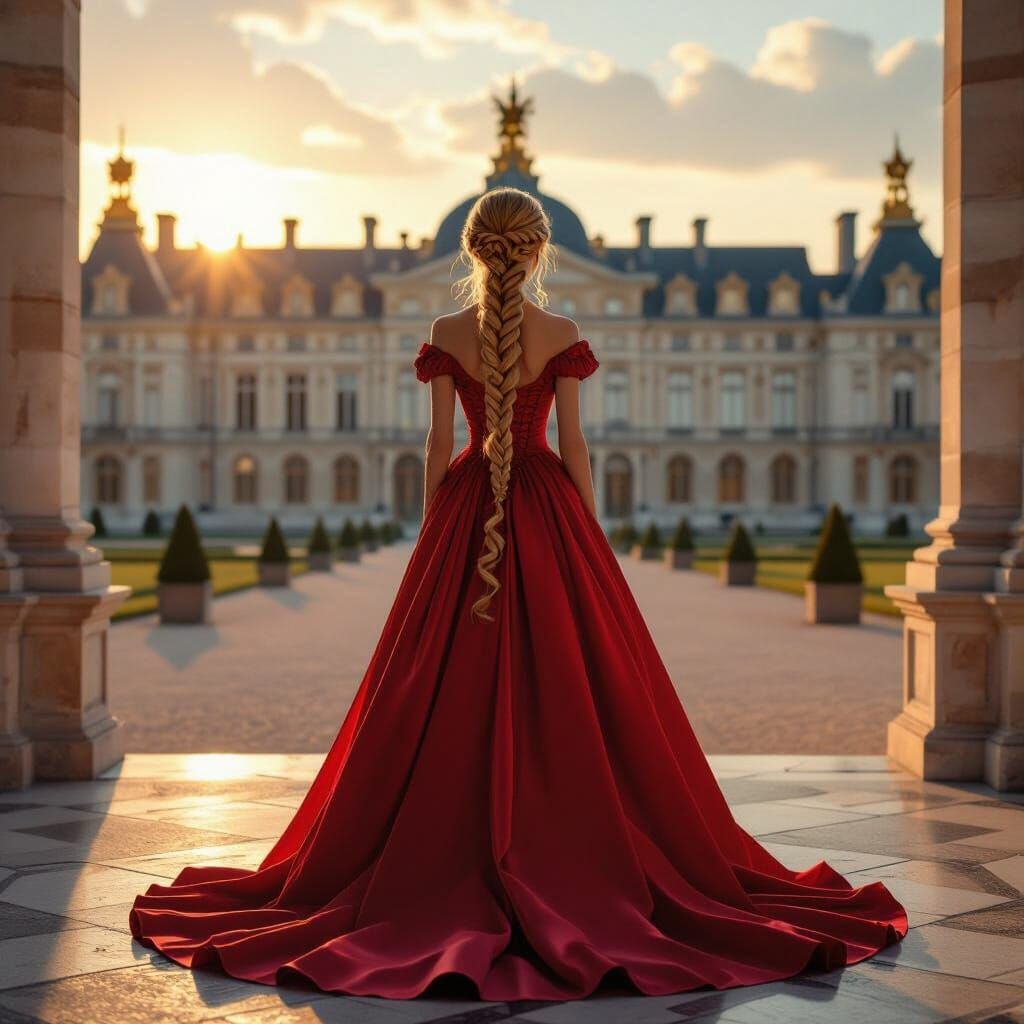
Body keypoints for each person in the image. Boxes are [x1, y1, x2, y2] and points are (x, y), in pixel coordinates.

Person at [130, 187, 906, 1001]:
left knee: (435, 687)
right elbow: (576, 447)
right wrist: (588, 538)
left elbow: (439, 445)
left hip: (468, 509)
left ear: (472, 252)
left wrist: (438, 531)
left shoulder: (444, 334)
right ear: (538, 253)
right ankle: (567, 838)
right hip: (545, 509)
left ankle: (438, 849)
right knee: (579, 685)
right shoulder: (565, 334)